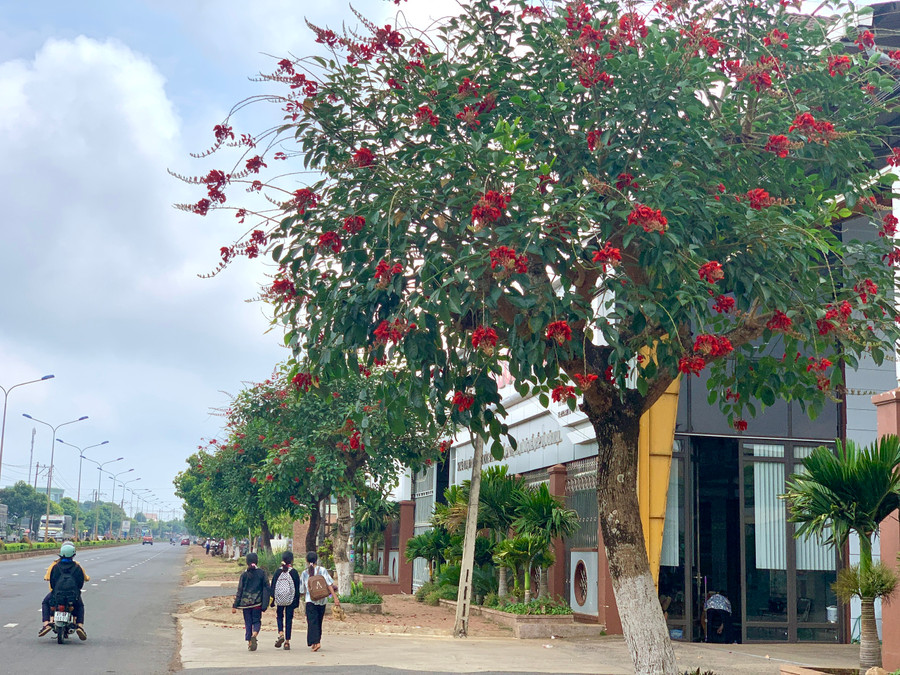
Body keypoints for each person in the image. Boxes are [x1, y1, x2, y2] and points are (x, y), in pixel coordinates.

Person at [39, 542, 89, 640]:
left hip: (57, 595)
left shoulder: (55, 566)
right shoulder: (77, 567)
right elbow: (80, 583)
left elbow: (52, 582)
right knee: (80, 606)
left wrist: (55, 591)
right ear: (73, 554)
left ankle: (46, 623)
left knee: (45, 602)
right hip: (72, 596)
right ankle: (80, 626)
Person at [299, 550, 340, 652]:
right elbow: (329, 584)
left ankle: (316, 642)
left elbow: (302, 590)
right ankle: (316, 641)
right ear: (316, 560)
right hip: (322, 600)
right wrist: (335, 597)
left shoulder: (305, 573)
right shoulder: (322, 570)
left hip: (310, 601)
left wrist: (303, 597)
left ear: (307, 561)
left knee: (312, 622)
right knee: (318, 621)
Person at [231, 552, 269, 651]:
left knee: (248, 622)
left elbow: (240, 590)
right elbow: (267, 588)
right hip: (257, 603)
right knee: (256, 621)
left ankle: (249, 642)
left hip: (245, 604)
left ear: (247, 562)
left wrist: (235, 605)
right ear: (257, 561)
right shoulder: (262, 573)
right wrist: (266, 602)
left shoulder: (244, 575)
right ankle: (254, 634)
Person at [270, 550, 301, 650]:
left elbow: (273, 586)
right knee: (289, 619)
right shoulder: (294, 572)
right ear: (291, 560)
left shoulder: (278, 572)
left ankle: (281, 633)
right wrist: (296, 602)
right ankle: (287, 642)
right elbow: (297, 588)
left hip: (280, 599)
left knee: (279, 616)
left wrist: (272, 600)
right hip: (290, 600)